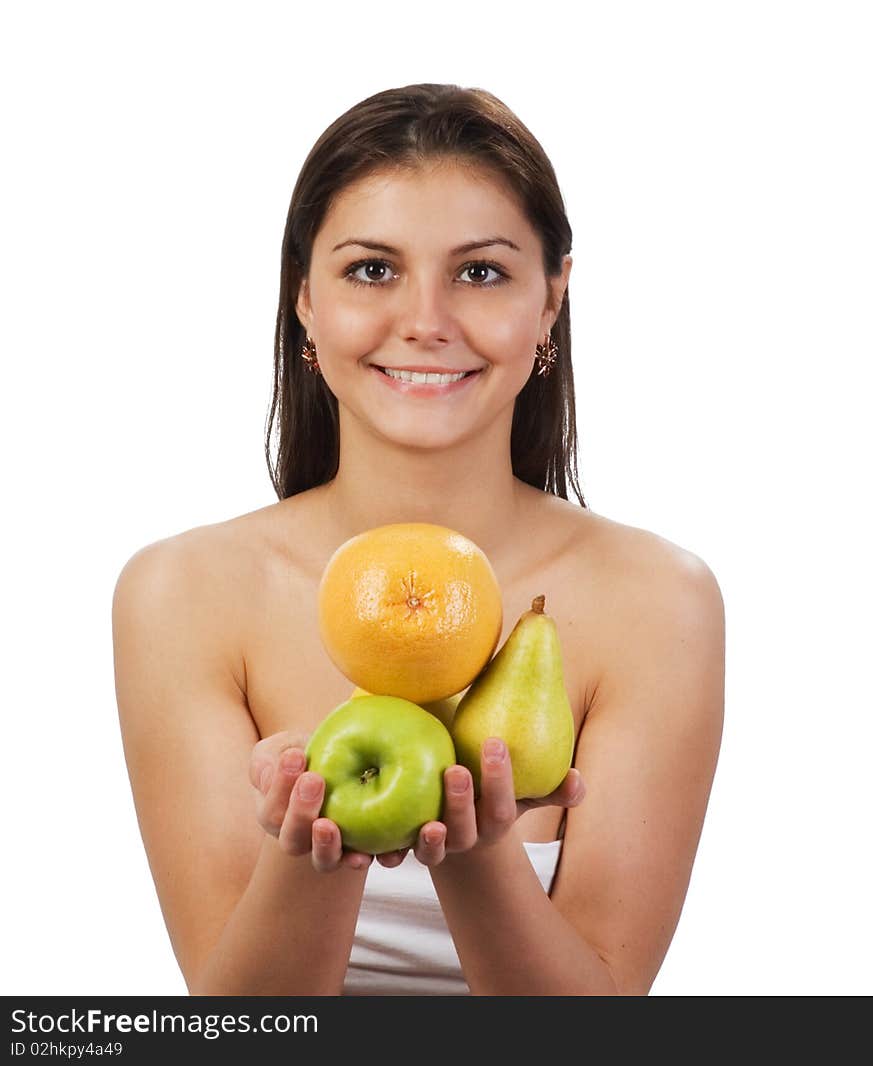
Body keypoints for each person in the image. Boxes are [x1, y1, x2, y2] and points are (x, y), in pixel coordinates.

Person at [111, 83, 725, 996]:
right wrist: (313, 853)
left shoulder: (659, 601)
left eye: (480, 272)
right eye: (372, 270)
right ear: (305, 301)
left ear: (552, 299)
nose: (427, 321)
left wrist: (473, 854)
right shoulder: (181, 592)